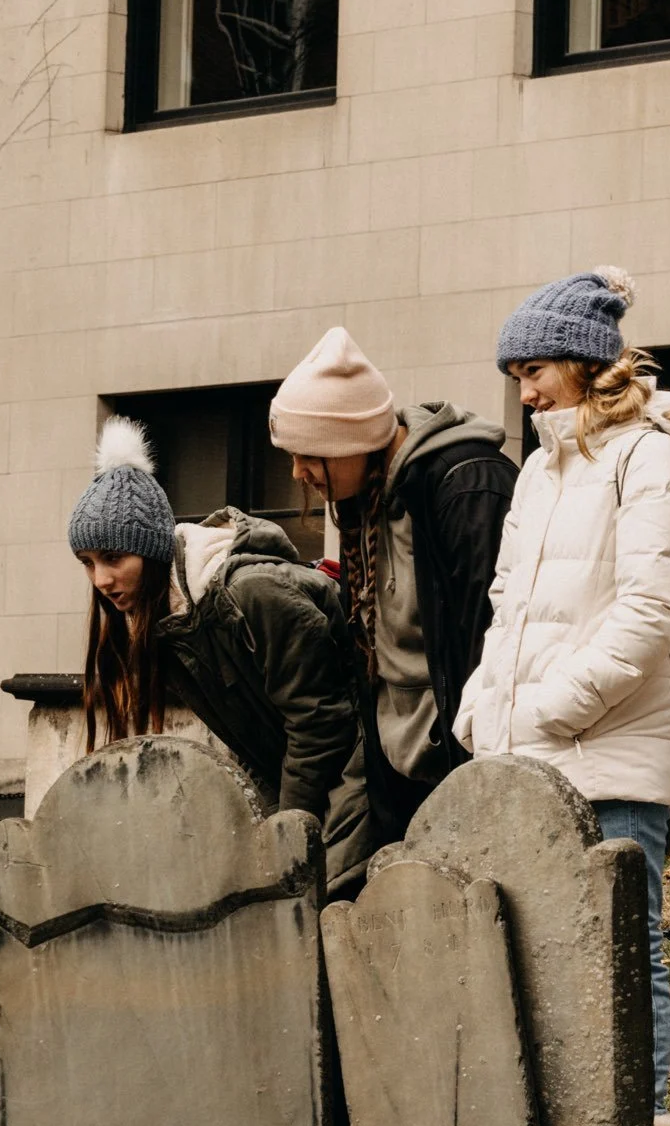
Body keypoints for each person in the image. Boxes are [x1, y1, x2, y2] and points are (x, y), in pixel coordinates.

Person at [454, 268, 670, 1126]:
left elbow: (650, 613)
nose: (524, 389)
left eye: (533, 370)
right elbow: (509, 604)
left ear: (581, 364)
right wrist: (482, 711)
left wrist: (549, 707)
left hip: (609, 750)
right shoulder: (542, 466)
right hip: (527, 750)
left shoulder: (648, 453)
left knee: (624, 954)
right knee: (538, 955)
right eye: (515, 375)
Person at [66, 416, 366, 876]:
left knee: (328, 903)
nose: (101, 580)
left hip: (366, 770)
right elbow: (251, 739)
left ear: (148, 551)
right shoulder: (170, 626)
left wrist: (285, 832)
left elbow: (320, 723)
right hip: (313, 781)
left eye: (112, 558)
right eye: (88, 563)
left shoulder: (251, 592)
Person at [269, 327, 517, 856]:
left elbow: (490, 644)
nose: (298, 473)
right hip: (397, 764)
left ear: (350, 441)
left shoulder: (467, 485)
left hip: (461, 760)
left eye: (307, 453)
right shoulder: (363, 495)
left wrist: (469, 759)